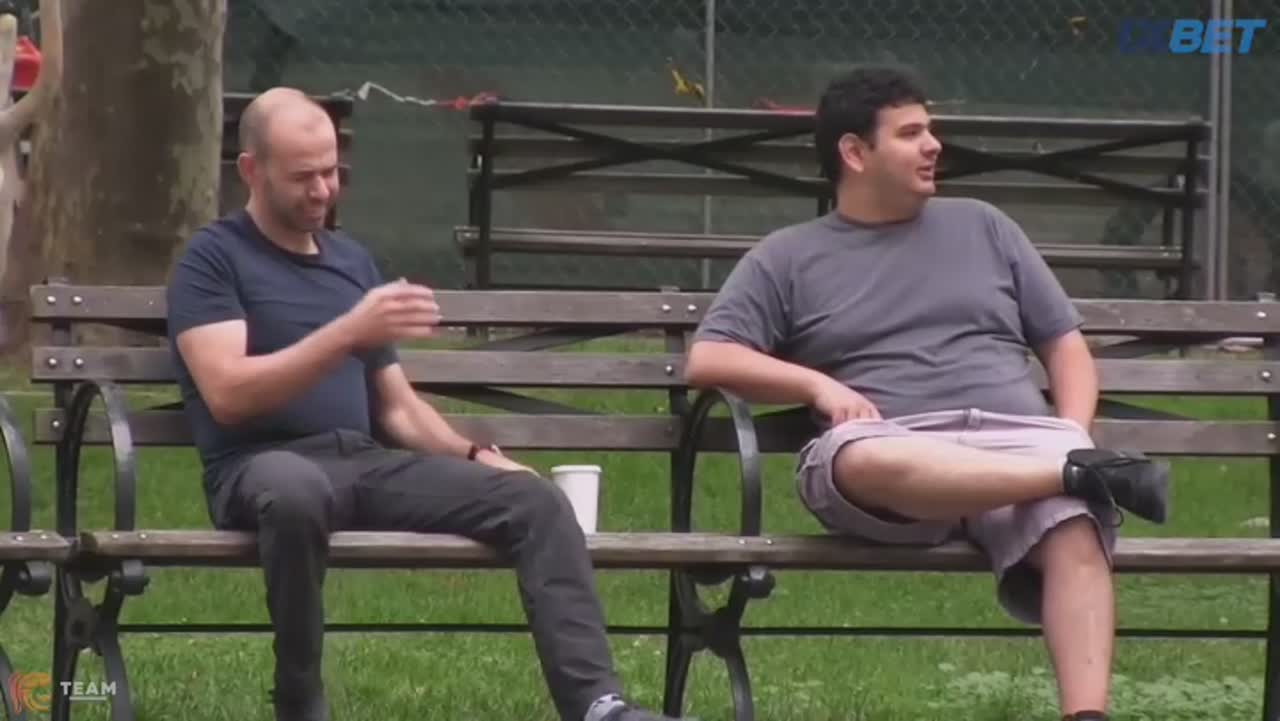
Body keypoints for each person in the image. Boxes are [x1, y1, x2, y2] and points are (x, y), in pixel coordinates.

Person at [165, 87, 689, 721]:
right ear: (252, 170)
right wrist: (347, 332)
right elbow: (228, 394)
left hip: (362, 463)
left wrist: (477, 456)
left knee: (534, 501)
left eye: (332, 171)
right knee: (297, 492)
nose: (323, 190)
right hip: (261, 466)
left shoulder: (350, 262)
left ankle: (598, 706)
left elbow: (396, 409)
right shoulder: (213, 259)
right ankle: (300, 700)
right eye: (303, 177)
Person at [684, 66, 1171, 721]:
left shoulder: (986, 227)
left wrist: (1072, 431)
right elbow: (709, 357)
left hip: (1018, 440)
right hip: (897, 447)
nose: (934, 144)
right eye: (911, 133)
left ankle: (1086, 713)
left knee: (1072, 527)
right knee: (860, 457)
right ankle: (1075, 473)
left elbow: (1065, 348)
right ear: (855, 152)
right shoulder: (788, 257)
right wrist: (817, 384)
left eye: (931, 129)